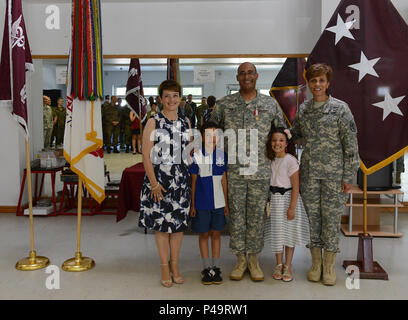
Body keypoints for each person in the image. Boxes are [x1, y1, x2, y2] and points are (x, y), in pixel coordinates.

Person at [210, 62, 286, 281]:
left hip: (260, 171)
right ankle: (240, 259)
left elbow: (280, 134)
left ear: (256, 76)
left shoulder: (269, 104)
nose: (246, 76)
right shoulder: (224, 105)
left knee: (256, 217)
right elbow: (211, 135)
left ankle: (253, 260)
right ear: (237, 77)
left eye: (250, 72)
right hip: (233, 171)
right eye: (242, 73)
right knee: (236, 216)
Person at [291, 63, 359, 286]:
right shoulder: (304, 109)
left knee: (330, 220)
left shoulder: (341, 109)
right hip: (310, 175)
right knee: (312, 220)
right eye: (313, 81)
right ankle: (316, 263)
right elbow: (296, 133)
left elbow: (351, 145)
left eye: (321, 80)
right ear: (309, 84)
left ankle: (329, 266)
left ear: (328, 83)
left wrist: (349, 177)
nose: (317, 84)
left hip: (334, 176)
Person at [139, 79, 192, 288]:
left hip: (180, 182)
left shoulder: (186, 122)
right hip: (158, 181)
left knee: (178, 228)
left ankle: (175, 265)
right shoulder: (154, 121)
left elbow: (189, 153)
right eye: (167, 96)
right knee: (161, 227)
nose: (172, 100)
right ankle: (163, 266)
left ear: (181, 98)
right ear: (160, 99)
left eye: (175, 95)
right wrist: (153, 183)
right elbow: (145, 154)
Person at [263, 126, 310, 282]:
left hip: (288, 200)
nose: (278, 143)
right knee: (277, 233)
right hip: (275, 201)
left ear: (286, 143)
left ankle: (288, 265)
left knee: (289, 234)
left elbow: (296, 187)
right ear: (270, 142)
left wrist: (292, 207)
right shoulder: (269, 160)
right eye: (275, 140)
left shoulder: (291, 161)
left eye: (281, 140)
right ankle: (279, 264)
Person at [189, 122, 228, 285]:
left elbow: (224, 180)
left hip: (219, 202)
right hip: (202, 202)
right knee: (204, 234)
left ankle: (216, 267)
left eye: (215, 135)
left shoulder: (222, 155)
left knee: (216, 234)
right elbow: (193, 182)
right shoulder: (196, 155)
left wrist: (226, 202)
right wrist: (192, 205)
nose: (211, 138)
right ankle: (206, 268)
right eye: (208, 135)